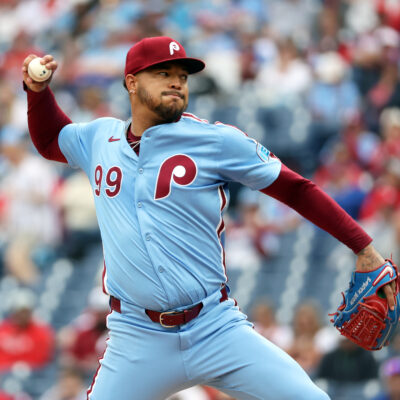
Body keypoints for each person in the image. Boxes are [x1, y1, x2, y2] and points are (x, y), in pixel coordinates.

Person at [22, 36, 396, 400]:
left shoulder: (215, 141)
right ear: (131, 83)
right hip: (136, 336)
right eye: (162, 72)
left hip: (213, 327)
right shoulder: (99, 139)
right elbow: (51, 139)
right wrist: (38, 93)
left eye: (182, 76)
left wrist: (362, 247)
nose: (176, 81)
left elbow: (295, 189)